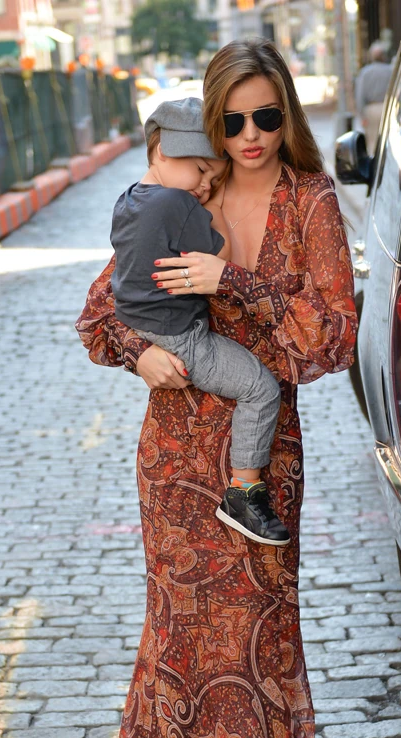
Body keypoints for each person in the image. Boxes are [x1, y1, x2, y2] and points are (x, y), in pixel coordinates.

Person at [75, 37, 356, 738]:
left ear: (287, 116)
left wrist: (231, 281)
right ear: (210, 123)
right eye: (232, 122)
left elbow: (332, 334)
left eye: (266, 117)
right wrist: (140, 354)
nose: (251, 136)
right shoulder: (186, 193)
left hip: (260, 466)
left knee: (259, 628)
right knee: (181, 628)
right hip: (173, 449)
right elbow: (102, 312)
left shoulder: (310, 201)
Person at [111, 97, 290, 546]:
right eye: (201, 170)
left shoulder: (128, 200)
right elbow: (220, 258)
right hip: (183, 339)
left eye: (214, 178)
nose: (206, 185)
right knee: (260, 389)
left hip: (143, 326)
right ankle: (244, 490)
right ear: (161, 151)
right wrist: (216, 215)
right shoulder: (178, 204)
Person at [355, 41, 393, 154]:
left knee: (372, 142)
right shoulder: (390, 70)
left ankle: (374, 160)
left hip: (371, 110)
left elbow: (360, 95)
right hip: (388, 108)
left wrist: (362, 115)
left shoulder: (365, 72)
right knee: (388, 139)